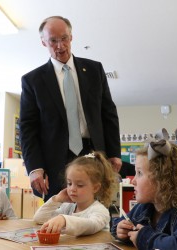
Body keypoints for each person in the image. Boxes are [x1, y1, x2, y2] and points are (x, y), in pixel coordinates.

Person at [19, 16, 121, 201]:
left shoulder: (94, 70)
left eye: (64, 38)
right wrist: (35, 168)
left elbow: (108, 114)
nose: (60, 46)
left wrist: (114, 153)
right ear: (43, 42)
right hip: (54, 160)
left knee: (95, 211)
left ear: (71, 37)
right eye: (53, 41)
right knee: (58, 217)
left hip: (93, 153)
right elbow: (28, 128)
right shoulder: (32, 81)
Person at [111, 140, 177, 249]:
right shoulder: (143, 208)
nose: (133, 181)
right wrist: (120, 229)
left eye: (139, 173)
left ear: (163, 180)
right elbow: (120, 221)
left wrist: (144, 238)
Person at [33, 151, 116, 236]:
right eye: (69, 183)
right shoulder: (68, 207)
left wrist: (64, 220)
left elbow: (91, 225)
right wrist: (56, 200)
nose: (72, 189)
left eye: (80, 185)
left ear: (95, 188)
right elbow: (39, 219)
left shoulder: (101, 211)